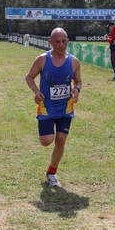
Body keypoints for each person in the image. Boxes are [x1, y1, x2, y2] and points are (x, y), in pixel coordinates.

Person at [25, 27, 82, 187]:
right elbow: (29, 77)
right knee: (46, 141)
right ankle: (51, 170)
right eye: (57, 42)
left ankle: (52, 173)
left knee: (61, 139)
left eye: (64, 41)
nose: (61, 45)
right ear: (50, 42)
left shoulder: (74, 61)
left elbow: (78, 81)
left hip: (65, 108)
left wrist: (76, 90)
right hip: (46, 107)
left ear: (67, 41)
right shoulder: (42, 59)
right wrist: (36, 91)